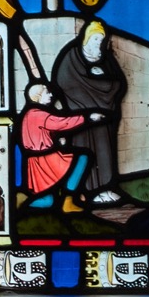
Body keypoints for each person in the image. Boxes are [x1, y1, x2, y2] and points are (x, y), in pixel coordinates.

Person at [51, 20, 127, 204]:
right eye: (95, 39)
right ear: (86, 39)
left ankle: (105, 188)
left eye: (101, 40)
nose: (98, 44)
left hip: (104, 118)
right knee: (84, 150)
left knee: (104, 151)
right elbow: (65, 84)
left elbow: (118, 84)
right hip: (81, 118)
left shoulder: (107, 59)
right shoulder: (71, 57)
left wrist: (101, 77)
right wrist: (92, 84)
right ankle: (88, 191)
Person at [19, 82, 106, 213]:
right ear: (38, 96)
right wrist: (88, 117)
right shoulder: (38, 114)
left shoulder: (29, 114)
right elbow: (62, 123)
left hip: (35, 162)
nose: (50, 95)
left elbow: (40, 132)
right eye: (47, 93)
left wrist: (57, 138)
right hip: (46, 160)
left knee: (48, 201)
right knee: (82, 158)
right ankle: (68, 200)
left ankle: (22, 201)